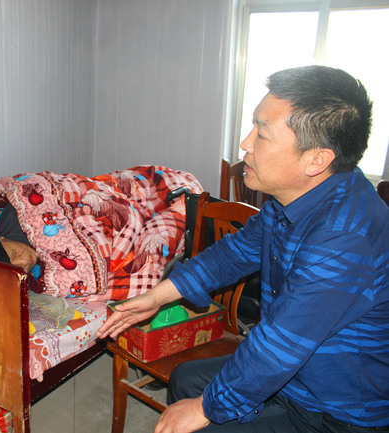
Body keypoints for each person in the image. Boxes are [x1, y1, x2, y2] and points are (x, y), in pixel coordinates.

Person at [97, 65, 389, 433]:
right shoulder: (297, 198)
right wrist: (157, 296)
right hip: (296, 377)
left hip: (336, 410)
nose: (246, 144)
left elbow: (280, 345)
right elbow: (233, 254)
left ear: (317, 159)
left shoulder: (345, 239)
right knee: (185, 380)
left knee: (202, 416)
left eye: (262, 134)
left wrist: (206, 408)